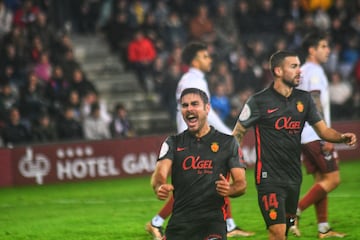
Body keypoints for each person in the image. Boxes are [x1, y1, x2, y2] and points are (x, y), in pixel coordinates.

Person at [232, 50, 356, 240]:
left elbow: (323, 131)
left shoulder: (304, 100)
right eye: (294, 66)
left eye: (299, 66)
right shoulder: (258, 101)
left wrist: (341, 138)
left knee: (286, 230)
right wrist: (233, 166)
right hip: (269, 177)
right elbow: (237, 133)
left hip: (293, 177)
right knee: (277, 231)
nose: (300, 71)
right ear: (278, 71)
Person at [146, 42, 255, 239]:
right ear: (195, 60)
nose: (209, 59)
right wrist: (228, 135)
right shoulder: (193, 81)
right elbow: (204, 113)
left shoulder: (192, 79)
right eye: (205, 56)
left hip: (194, 137)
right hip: (194, 140)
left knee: (213, 180)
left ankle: (227, 224)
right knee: (199, 185)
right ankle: (158, 221)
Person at [151, 87, 247, 239]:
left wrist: (230, 189)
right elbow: (159, 174)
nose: (189, 109)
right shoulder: (173, 143)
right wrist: (159, 186)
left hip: (212, 223)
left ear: (207, 108)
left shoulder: (227, 143)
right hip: (180, 224)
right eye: (185, 105)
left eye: (194, 104)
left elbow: (241, 184)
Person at [289, 31, 349, 238]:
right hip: (315, 135)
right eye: (323, 46)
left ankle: (323, 228)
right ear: (311, 50)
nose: (328, 50)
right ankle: (295, 213)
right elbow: (315, 101)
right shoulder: (314, 72)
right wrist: (326, 137)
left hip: (304, 135)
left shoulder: (303, 71)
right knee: (333, 179)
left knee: (321, 181)